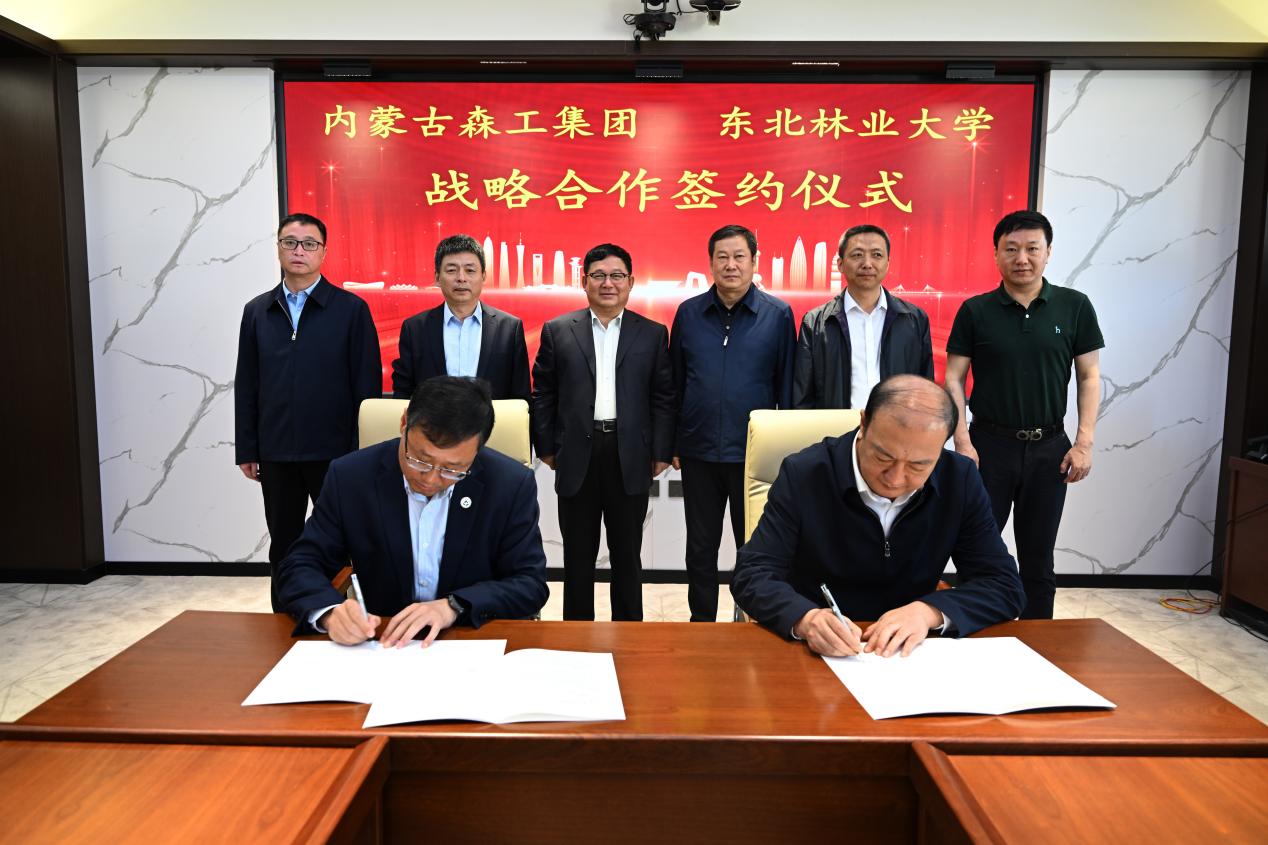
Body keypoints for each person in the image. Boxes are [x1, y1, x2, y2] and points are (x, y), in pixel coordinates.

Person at [731, 375, 1025, 657]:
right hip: (820, 651)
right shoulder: (806, 474)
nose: (895, 479)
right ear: (864, 423)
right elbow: (752, 573)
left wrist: (928, 612)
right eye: (883, 457)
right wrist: (805, 618)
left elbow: (1003, 585)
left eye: (918, 466)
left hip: (909, 653)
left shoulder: (959, 479)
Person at [275, 376, 549, 646]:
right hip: (384, 641)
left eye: (452, 469)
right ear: (404, 422)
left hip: (472, 640)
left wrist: (454, 606)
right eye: (420, 460)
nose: (430, 479)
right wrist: (329, 613)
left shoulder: (510, 485)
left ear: (477, 450)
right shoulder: (350, 477)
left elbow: (530, 583)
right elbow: (300, 563)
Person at [945, 210, 1104, 620]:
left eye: (1032, 248)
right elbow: (954, 378)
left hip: (1050, 449)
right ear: (996, 254)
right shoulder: (975, 311)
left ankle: (1038, 642)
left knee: (1038, 557)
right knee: (975, 552)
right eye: (1011, 249)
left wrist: (1084, 442)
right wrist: (962, 440)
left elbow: (1089, 376)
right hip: (987, 448)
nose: (1022, 258)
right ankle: (974, 633)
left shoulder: (1074, 306)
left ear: (1048, 252)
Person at [235, 212, 381, 612]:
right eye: (290, 242)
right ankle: (285, 618)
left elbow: (366, 389)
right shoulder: (257, 311)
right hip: (276, 450)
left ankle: (338, 617)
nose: (299, 251)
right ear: (279, 248)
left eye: (309, 244)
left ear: (323, 252)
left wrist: (360, 452)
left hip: (336, 452)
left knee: (340, 540)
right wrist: (248, 447)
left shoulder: (350, 310)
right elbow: (247, 384)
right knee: (283, 542)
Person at [531, 244, 675, 621]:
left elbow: (663, 397)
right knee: (578, 555)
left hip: (631, 455)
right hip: (576, 453)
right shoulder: (558, 330)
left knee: (627, 554)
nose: (607, 283)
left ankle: (629, 633)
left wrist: (661, 451)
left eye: (616, 276)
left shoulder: (652, 334)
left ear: (631, 282)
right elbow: (543, 393)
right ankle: (576, 634)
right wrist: (546, 447)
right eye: (598, 275)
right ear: (584, 282)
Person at [670, 224, 796, 621]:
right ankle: (701, 623)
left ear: (754, 262)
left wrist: (784, 451)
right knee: (700, 547)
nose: (730, 265)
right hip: (699, 451)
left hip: (753, 457)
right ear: (710, 263)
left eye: (739, 256)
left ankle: (749, 620)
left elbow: (787, 387)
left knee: (753, 547)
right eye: (722, 257)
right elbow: (675, 383)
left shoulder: (777, 315)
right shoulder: (689, 313)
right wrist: (673, 442)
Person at [793, 224, 933, 409]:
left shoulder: (914, 320)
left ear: (887, 263)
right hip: (836, 427)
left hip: (896, 426)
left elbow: (925, 390)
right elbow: (802, 397)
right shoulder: (816, 323)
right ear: (840, 264)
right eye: (857, 255)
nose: (867, 263)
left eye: (877, 255)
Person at [391, 234, 530, 401]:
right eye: (451, 270)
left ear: (483, 276)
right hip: (432, 419)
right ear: (437, 278)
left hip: (493, 419)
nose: (461, 278)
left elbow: (520, 398)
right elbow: (403, 393)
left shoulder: (509, 329)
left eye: (470, 270)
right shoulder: (415, 329)